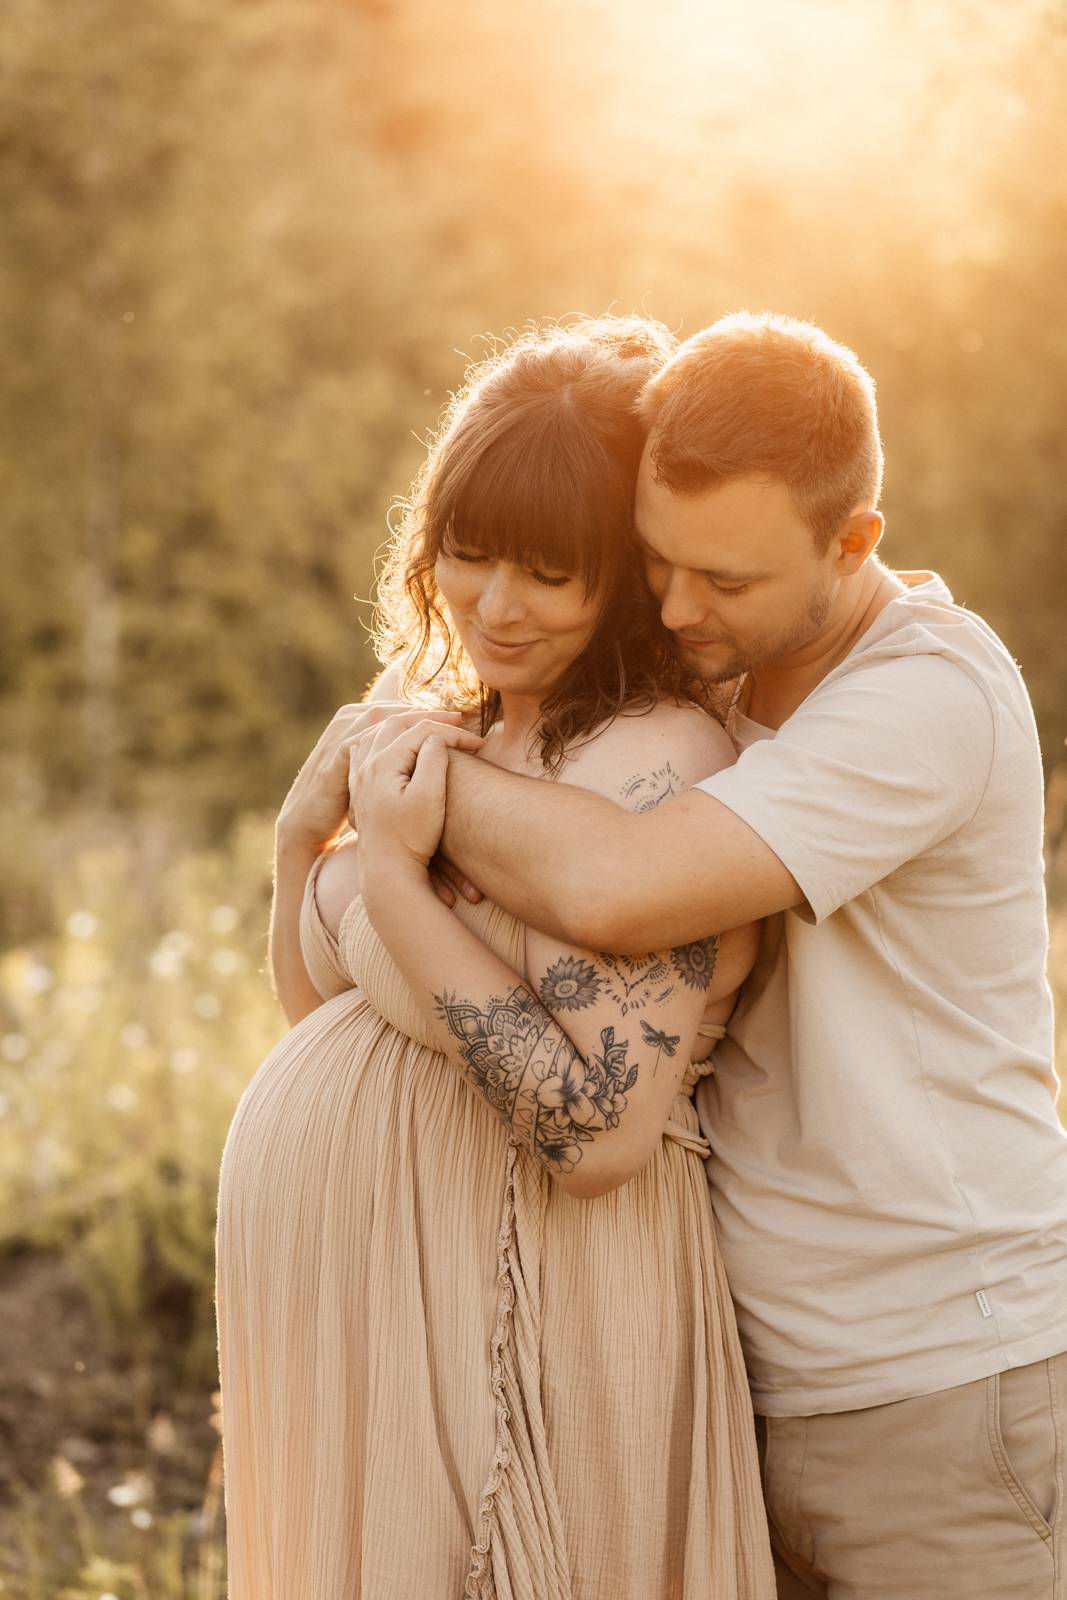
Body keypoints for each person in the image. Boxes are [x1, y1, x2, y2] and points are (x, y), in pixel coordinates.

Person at [355, 312, 1067, 1600]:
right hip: (749, 1374)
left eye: (723, 581)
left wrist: (393, 777)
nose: (677, 607)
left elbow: (611, 883)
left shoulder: (924, 700)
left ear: (853, 541)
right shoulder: (722, 672)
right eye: (656, 563)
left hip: (940, 1387)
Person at [215, 319, 776, 1599]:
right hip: (372, 1326)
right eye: (467, 555)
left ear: (624, 577)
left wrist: (397, 876)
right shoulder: (447, 726)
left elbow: (594, 1132)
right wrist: (301, 843)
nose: (494, 605)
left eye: (549, 572)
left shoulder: (655, 762)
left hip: (544, 1306)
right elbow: (323, 1019)